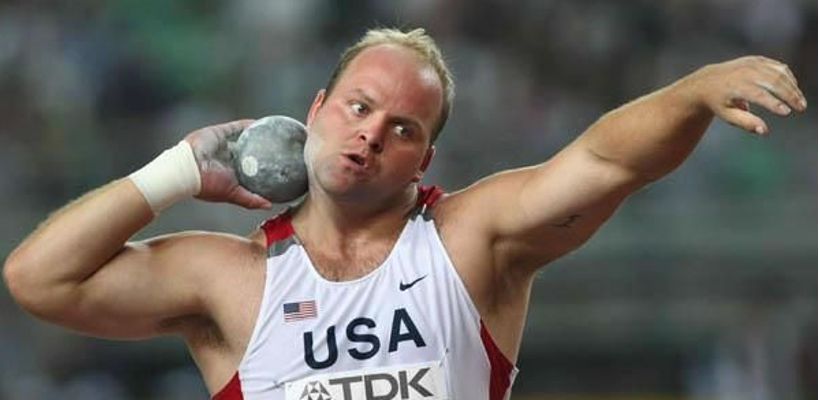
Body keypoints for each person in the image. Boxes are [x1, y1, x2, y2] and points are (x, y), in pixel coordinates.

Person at [3, 28, 806, 400]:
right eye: (358, 107)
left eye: (402, 129)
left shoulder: (473, 240)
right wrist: (177, 171)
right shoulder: (230, 279)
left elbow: (605, 161)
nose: (370, 134)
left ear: (424, 161)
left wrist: (692, 92)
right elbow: (39, 279)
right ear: (316, 110)